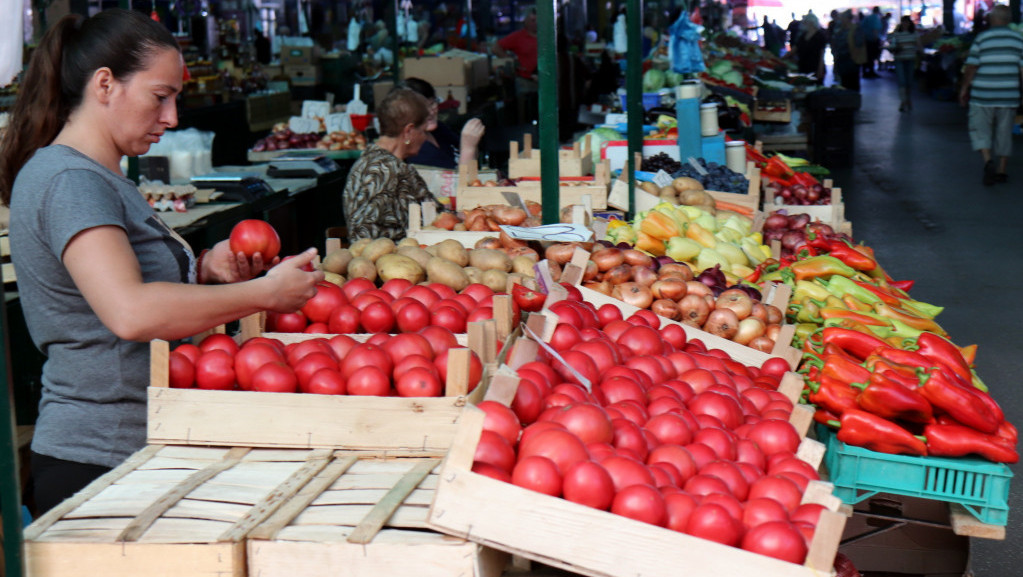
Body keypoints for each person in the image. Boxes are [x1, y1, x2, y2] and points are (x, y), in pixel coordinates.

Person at [0, 9, 322, 515]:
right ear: (105, 84)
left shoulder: (97, 176)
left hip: (139, 442)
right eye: (160, 97)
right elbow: (130, 311)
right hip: (102, 459)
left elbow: (120, 284)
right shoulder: (70, 182)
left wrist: (202, 268)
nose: (172, 118)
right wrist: (264, 294)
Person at [342, 88, 440, 240]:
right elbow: (365, 236)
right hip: (393, 260)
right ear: (408, 131)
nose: (425, 138)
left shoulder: (375, 162)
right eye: (423, 131)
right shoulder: (383, 171)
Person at [959, 5, 1023, 185]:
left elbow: (972, 67)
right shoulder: (1018, 39)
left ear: (993, 19)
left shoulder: (982, 38)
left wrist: (964, 88)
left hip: (982, 94)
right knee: (1004, 131)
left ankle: (988, 160)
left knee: (980, 129)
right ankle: (1002, 171)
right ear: (1008, 20)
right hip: (1008, 94)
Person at [399, 77, 486, 170]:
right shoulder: (415, 150)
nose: (430, 112)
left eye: (432, 103)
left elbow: (469, 155)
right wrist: (468, 149)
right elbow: (458, 182)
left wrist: (470, 143)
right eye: (422, 108)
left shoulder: (438, 129)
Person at [494, 9, 539, 123]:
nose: (535, 22)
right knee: (525, 113)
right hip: (525, 81)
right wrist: (509, 60)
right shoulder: (518, 37)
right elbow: (496, 48)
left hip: (545, 81)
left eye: (538, 20)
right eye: (533, 20)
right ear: (526, 21)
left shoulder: (547, 37)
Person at [889, 16, 921, 111]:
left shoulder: (914, 34)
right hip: (900, 59)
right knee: (902, 81)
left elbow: (918, 44)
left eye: (906, 22)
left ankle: (907, 99)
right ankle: (904, 101)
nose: (905, 24)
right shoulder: (896, 34)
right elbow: (892, 44)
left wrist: (921, 52)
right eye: (903, 22)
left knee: (909, 81)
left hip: (910, 59)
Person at [830, 11, 861, 91]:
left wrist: (855, 58)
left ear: (847, 19)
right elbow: (835, 42)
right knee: (844, 83)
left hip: (852, 61)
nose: (841, 20)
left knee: (853, 84)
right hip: (842, 60)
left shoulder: (855, 29)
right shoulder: (840, 29)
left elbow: (858, 45)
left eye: (843, 18)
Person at [794, 14, 827, 84]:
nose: (803, 24)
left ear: (811, 23)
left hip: (815, 67)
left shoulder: (820, 36)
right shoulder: (803, 35)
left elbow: (822, 54)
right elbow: (795, 48)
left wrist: (820, 69)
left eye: (805, 22)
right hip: (803, 66)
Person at [861, 7, 883, 77]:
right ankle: (871, 72)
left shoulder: (867, 18)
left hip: (865, 40)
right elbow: (875, 30)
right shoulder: (875, 18)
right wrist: (876, 40)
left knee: (866, 57)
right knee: (872, 57)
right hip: (872, 41)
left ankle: (866, 72)